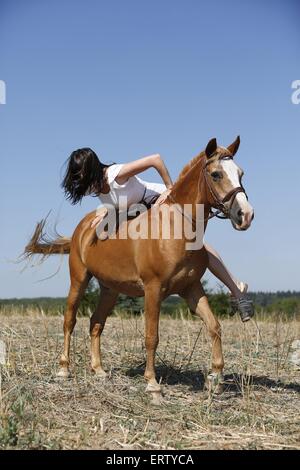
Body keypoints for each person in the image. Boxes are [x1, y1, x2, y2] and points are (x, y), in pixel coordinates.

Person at [61, 147, 254, 322]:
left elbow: (156, 159)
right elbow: (121, 203)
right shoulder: (96, 187)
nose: (80, 182)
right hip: (140, 212)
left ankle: (236, 289)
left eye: (81, 175)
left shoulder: (116, 174)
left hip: (159, 199)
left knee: (195, 244)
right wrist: (105, 210)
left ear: (92, 169)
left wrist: (170, 188)